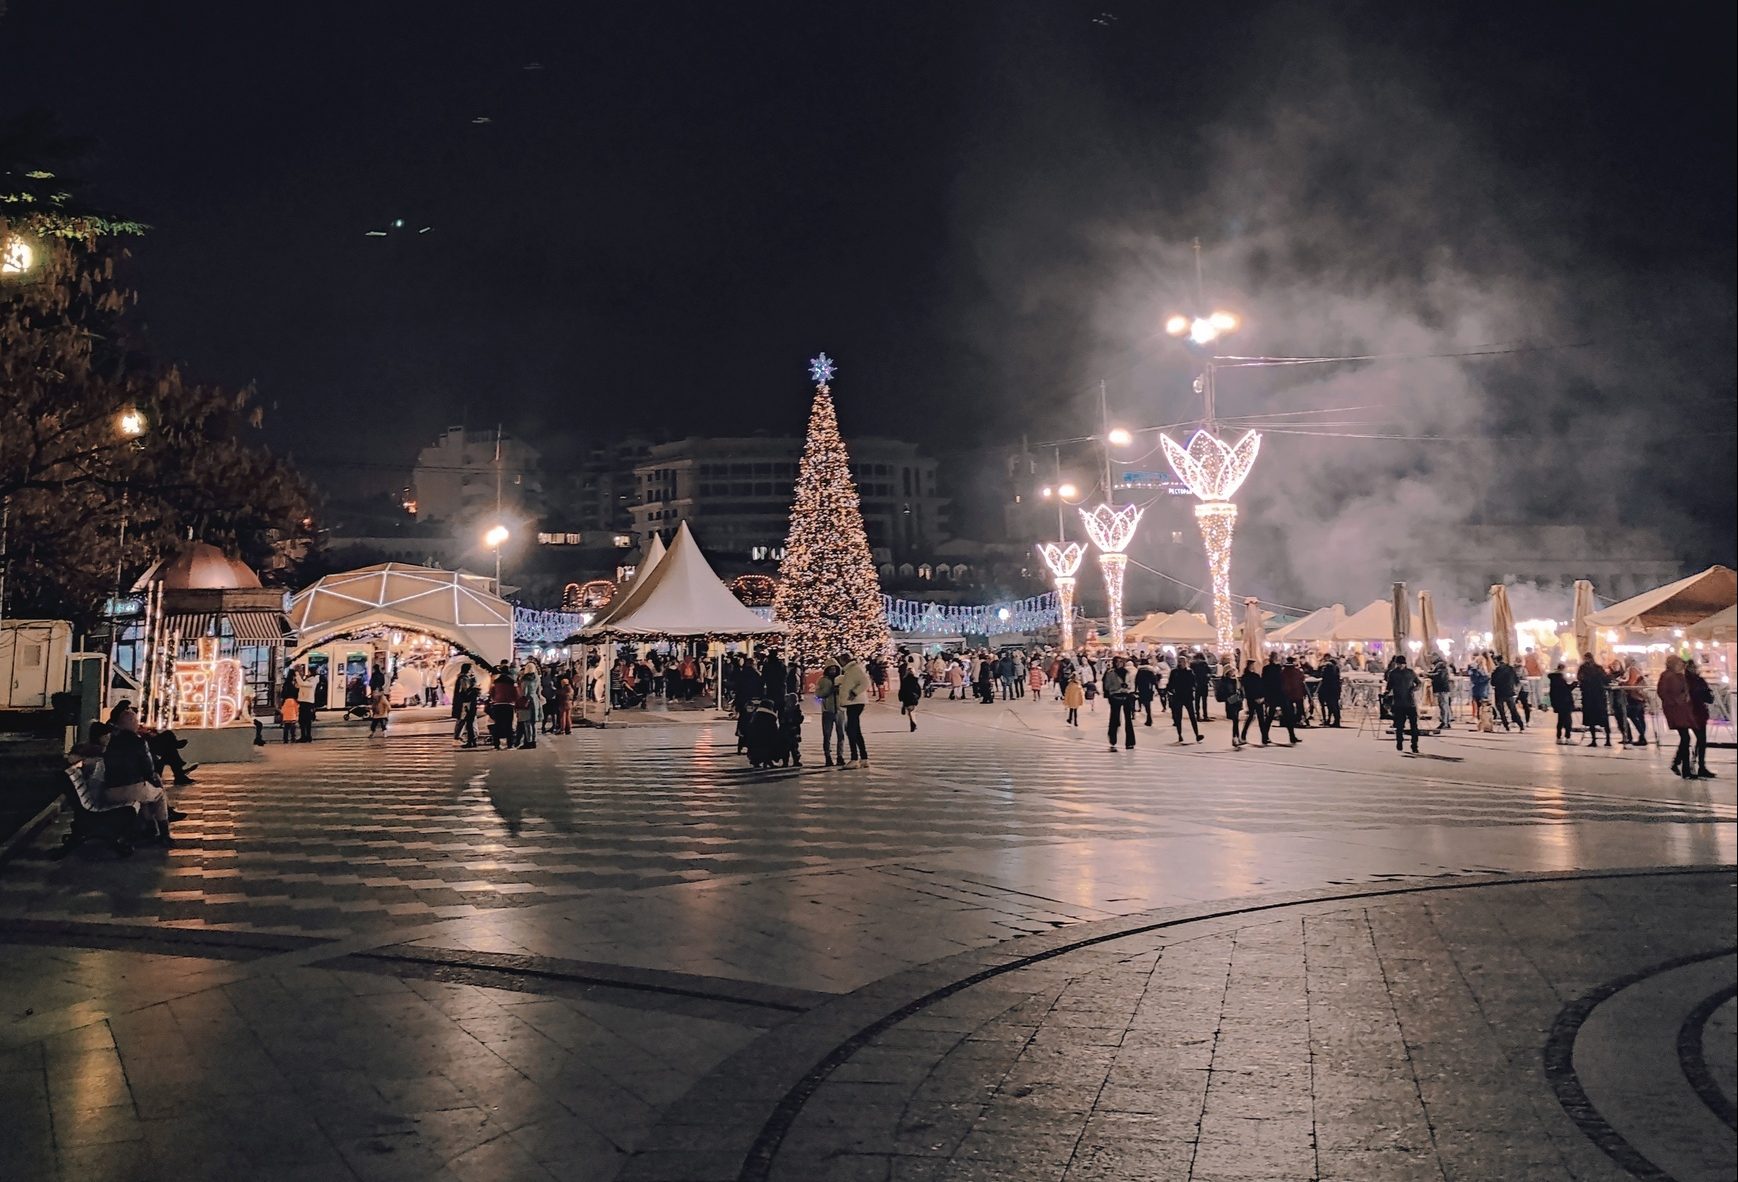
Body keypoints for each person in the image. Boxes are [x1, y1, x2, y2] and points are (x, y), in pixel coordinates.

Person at [103, 703, 174, 845]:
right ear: (129, 723)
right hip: (129, 789)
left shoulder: (112, 740)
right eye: (136, 721)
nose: (138, 724)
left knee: (145, 794)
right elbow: (148, 769)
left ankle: (149, 828)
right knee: (158, 794)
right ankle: (164, 834)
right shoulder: (138, 742)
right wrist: (155, 780)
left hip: (110, 790)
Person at [1658, 655, 1693, 776]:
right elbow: (1662, 692)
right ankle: (1681, 766)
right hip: (1674, 710)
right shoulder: (1667, 676)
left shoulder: (1680, 676)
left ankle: (1682, 766)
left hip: (1682, 709)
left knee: (1686, 738)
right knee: (1685, 737)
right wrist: (1675, 701)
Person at [837, 652, 872, 766]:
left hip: (855, 702)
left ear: (844, 660)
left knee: (851, 729)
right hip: (853, 703)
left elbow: (866, 682)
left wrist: (854, 692)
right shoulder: (850, 670)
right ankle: (863, 757)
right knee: (855, 729)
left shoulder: (854, 669)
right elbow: (850, 681)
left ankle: (855, 758)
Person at [1686, 660, 1716, 779]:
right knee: (1700, 739)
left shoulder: (1688, 680)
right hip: (1695, 712)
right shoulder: (1695, 681)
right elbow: (1707, 697)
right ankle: (1697, 765)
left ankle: (1695, 764)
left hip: (1695, 712)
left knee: (1700, 739)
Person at [1386, 655, 1421, 755]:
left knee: (1414, 725)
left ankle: (1414, 745)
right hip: (1398, 702)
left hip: (1410, 702)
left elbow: (1418, 683)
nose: (1400, 666)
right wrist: (1387, 693)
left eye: (1402, 664)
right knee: (1399, 725)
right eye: (1398, 664)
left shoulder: (1410, 672)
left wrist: (1414, 689)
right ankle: (1399, 742)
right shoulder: (1393, 673)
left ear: (1405, 664)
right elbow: (1389, 686)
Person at [1576, 654, 1612, 747]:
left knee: (1591, 719)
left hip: (1589, 697)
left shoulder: (1583, 668)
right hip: (1599, 696)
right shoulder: (1598, 668)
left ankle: (1594, 740)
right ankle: (1607, 740)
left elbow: (1580, 678)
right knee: (1603, 719)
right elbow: (1605, 679)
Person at [1103, 655, 1136, 751]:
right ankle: (1113, 739)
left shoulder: (1127, 672)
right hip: (1115, 696)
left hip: (1126, 696)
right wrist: (1116, 688)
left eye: (1120, 662)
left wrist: (1128, 687)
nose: (1118, 663)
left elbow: (1131, 683)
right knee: (1114, 718)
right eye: (1117, 662)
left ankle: (1130, 742)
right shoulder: (1110, 673)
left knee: (1128, 720)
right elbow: (1107, 686)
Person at [1262, 653, 1297, 745]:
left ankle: (1292, 736)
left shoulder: (1275, 668)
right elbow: (1266, 683)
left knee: (1279, 715)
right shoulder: (1272, 669)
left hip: (1278, 695)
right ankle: (1265, 736)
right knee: (1273, 716)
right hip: (1276, 695)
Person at [815, 661, 845, 765]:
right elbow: (818, 695)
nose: (833, 671)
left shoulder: (841, 679)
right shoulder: (822, 681)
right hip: (827, 711)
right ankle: (827, 756)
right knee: (827, 735)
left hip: (840, 710)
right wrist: (830, 691)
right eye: (831, 669)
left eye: (835, 669)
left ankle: (840, 756)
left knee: (841, 735)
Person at [1168, 657, 1203, 743]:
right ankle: (1179, 734)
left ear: (1186, 663)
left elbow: (1194, 682)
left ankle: (1197, 734)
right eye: (1179, 662)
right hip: (1178, 696)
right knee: (1178, 716)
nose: (1181, 663)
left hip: (1188, 697)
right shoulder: (1174, 672)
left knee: (1192, 716)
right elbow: (1170, 684)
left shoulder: (1189, 672)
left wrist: (1193, 688)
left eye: (1182, 662)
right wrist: (1171, 691)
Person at [486, 664, 518, 749]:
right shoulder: (512, 682)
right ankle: (509, 744)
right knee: (508, 725)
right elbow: (516, 694)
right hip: (508, 705)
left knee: (497, 725)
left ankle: (497, 745)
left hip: (497, 704)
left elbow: (491, 693)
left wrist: (495, 699)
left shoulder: (496, 682)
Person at [1239, 659, 1270, 746]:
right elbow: (1250, 689)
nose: (1253, 666)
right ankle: (1246, 735)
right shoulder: (1248, 677)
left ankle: (1264, 737)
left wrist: (1262, 697)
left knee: (1259, 718)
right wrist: (1258, 697)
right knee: (1253, 717)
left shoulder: (1253, 676)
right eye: (1252, 665)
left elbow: (1260, 687)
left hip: (1256, 699)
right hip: (1253, 699)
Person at [1619, 659, 1649, 748]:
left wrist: (1622, 683)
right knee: (1640, 716)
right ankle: (1642, 737)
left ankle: (1642, 736)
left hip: (1635, 696)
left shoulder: (1632, 669)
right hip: (1640, 697)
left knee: (1632, 715)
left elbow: (1631, 683)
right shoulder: (1639, 669)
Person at [1491, 655, 1525, 731]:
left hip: (1499, 692)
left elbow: (1493, 682)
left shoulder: (1496, 671)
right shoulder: (1510, 669)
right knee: (1513, 709)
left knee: (1501, 710)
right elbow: (1516, 680)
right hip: (1509, 691)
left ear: (1496, 661)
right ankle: (1521, 725)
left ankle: (1506, 725)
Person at [1216, 661, 1244, 749]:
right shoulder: (1224, 682)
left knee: (1236, 721)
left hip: (1236, 702)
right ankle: (1235, 738)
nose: (1232, 672)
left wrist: (1240, 696)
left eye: (1233, 670)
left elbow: (1239, 690)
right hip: (1230, 703)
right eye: (1231, 671)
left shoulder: (1235, 680)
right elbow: (1221, 695)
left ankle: (1237, 738)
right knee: (1235, 720)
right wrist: (1229, 698)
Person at [1548, 662, 1577, 744]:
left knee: (1560, 720)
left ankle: (1558, 737)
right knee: (1568, 721)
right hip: (1565, 702)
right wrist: (1574, 684)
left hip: (1558, 703)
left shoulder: (1554, 679)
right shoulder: (1560, 678)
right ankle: (1568, 737)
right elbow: (1566, 690)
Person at [1281, 656, 1308, 740]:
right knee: (1300, 708)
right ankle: (1298, 720)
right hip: (1297, 693)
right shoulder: (1298, 671)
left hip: (1287, 694)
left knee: (1289, 710)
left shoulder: (1283, 672)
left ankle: (1291, 722)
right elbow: (1302, 679)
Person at [453, 663, 479, 747]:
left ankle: (472, 739)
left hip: (466, 703)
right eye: (471, 669)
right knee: (465, 721)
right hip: (465, 703)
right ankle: (460, 738)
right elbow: (466, 691)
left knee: (468, 721)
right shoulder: (463, 679)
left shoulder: (464, 678)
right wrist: (474, 688)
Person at [1317, 655, 1343, 728]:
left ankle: (1327, 720)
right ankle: (1336, 721)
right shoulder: (1336, 668)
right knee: (1334, 705)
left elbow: (1322, 676)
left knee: (1329, 705)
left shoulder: (1327, 667)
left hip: (1328, 689)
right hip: (1335, 688)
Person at [1428, 656, 1452, 731]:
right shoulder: (1442, 666)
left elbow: (1438, 675)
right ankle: (1446, 722)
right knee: (1445, 705)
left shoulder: (1441, 666)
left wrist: (1428, 674)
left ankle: (1444, 722)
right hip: (1444, 689)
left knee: (1443, 705)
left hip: (1442, 689)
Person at [1466, 659, 1490, 731]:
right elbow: (1479, 680)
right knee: (1483, 707)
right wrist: (1487, 678)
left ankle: (1481, 723)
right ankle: (1483, 723)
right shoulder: (1477, 671)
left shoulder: (1473, 671)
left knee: (1480, 707)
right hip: (1481, 691)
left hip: (1477, 690)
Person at [1134, 657, 1158, 727]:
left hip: (1141, 689)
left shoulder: (1139, 671)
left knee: (1144, 703)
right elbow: (1154, 681)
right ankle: (1149, 718)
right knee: (1148, 704)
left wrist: (1135, 690)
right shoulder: (1150, 671)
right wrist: (1156, 688)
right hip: (1149, 689)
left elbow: (1136, 681)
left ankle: (1149, 718)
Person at [898, 663, 922, 732]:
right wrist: (918, 696)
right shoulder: (915, 680)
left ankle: (913, 724)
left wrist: (900, 698)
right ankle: (913, 723)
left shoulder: (904, 680)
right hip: (913, 697)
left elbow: (901, 690)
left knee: (910, 712)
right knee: (912, 712)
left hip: (906, 698)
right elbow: (918, 689)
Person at [297, 666, 318, 743]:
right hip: (304, 701)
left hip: (307, 702)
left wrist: (297, 674)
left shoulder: (313, 680)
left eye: (308, 671)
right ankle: (306, 736)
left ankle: (306, 736)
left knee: (304, 720)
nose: (307, 673)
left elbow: (301, 684)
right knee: (304, 720)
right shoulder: (308, 679)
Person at [1190, 651, 1213, 721]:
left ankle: (1197, 715)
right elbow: (1209, 672)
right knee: (1204, 700)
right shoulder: (1204, 663)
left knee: (1197, 700)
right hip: (1204, 683)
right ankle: (1205, 715)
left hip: (1196, 683)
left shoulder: (1192, 664)